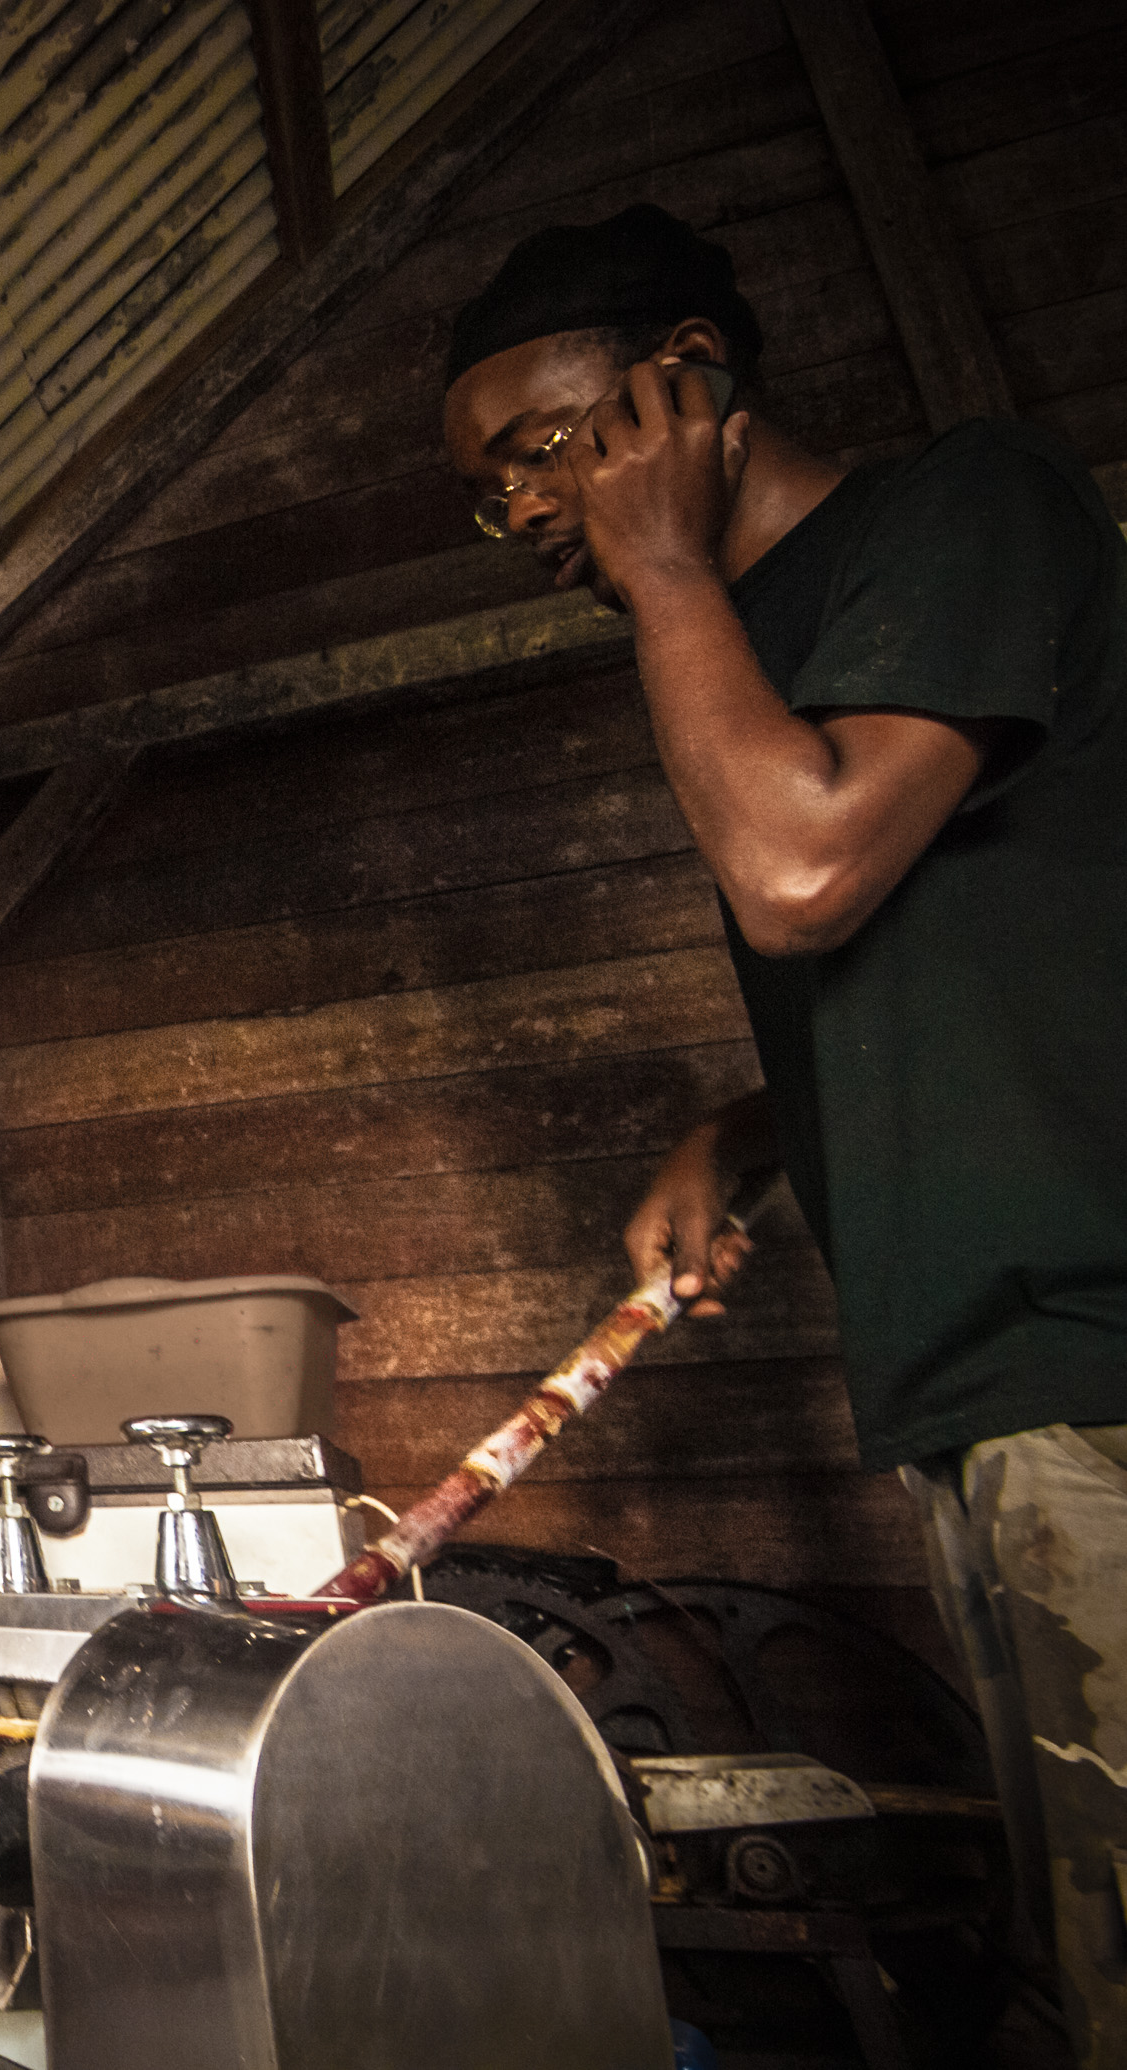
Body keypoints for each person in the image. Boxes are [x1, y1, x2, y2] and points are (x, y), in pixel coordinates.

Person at [441, 203, 1127, 2061]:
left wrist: (664, 571)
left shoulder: (963, 507)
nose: (526, 520)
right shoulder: (779, 647)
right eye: (491, 497)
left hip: (1095, 1353)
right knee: (1080, 1948)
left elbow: (805, 869)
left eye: (539, 454)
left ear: (687, 380)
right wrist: (745, 1125)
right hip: (980, 1389)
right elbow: (957, 948)